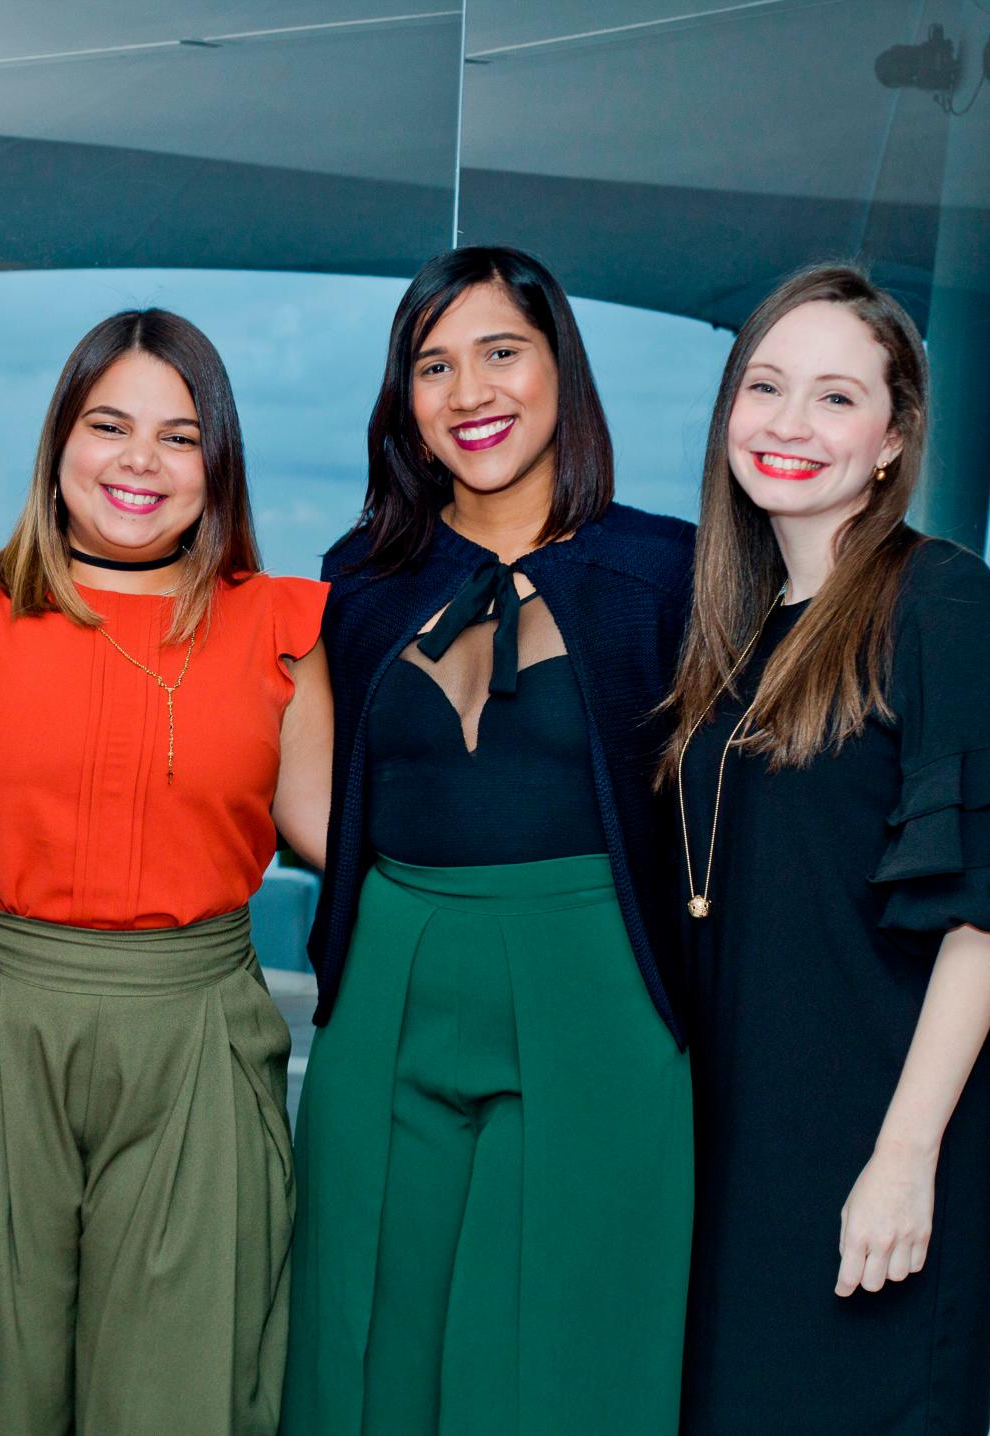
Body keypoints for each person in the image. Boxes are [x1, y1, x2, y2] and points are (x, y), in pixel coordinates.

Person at [0, 309, 331, 1436]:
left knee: (177, 1393)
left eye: (178, 437)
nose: (139, 460)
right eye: (109, 424)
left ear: (215, 463)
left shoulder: (278, 629)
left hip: (194, 1033)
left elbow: (339, 833)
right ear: (59, 443)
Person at [285, 246, 696, 1435]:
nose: (468, 390)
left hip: (596, 985)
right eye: (432, 365)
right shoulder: (358, 581)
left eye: (499, 352)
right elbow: (315, 801)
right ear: (404, 405)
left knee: (564, 1343)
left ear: (559, 367)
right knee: (366, 1326)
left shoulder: (663, 572)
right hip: (390, 976)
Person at [665, 265, 990, 1434]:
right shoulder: (735, 632)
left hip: (874, 1133)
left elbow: (984, 910)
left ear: (893, 437)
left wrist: (902, 1159)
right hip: (746, 1140)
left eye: (836, 398)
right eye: (766, 386)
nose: (789, 424)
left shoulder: (943, 603)